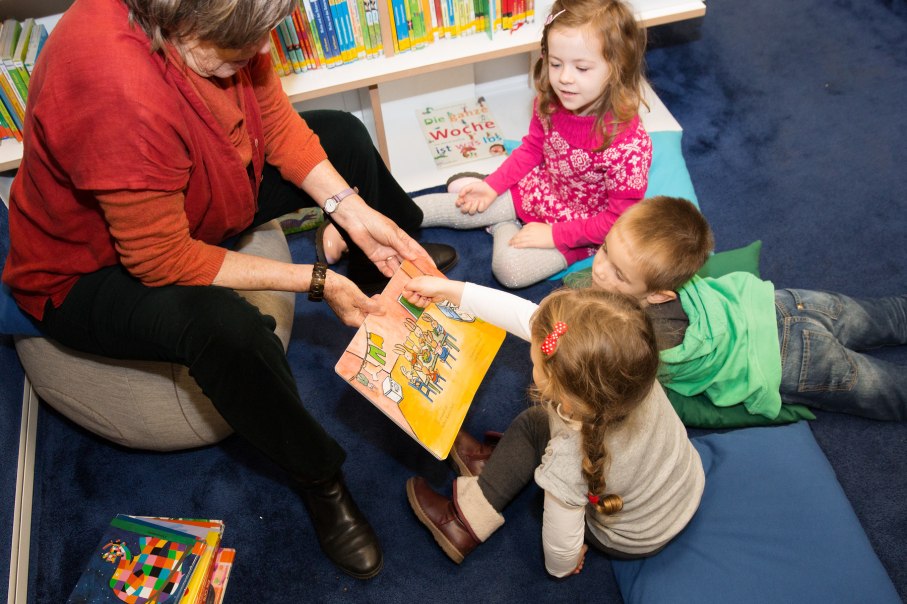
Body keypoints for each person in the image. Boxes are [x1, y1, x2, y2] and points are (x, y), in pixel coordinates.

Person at [2, 0, 447, 580]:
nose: (263, 53)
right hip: (89, 270)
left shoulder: (209, 33)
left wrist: (354, 213)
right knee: (227, 331)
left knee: (343, 135)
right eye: (242, 47)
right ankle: (318, 478)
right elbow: (160, 256)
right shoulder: (117, 87)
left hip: (182, 199)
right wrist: (315, 280)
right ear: (182, 27)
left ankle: (389, 279)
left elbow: (278, 122)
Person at [400, 283, 704, 576]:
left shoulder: (571, 461)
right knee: (538, 423)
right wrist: (455, 292)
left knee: (534, 424)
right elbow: (532, 322)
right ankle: (497, 467)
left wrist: (565, 565)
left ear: (562, 392)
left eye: (535, 361)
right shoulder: (628, 366)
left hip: (630, 537)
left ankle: (462, 524)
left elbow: (560, 545)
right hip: (681, 489)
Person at [574, 195, 907, 421]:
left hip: (788, 362)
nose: (599, 270)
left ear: (660, 296)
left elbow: (605, 377)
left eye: (618, 273)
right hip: (784, 303)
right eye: (603, 250)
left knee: (888, 389)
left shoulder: (645, 342)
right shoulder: (673, 281)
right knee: (885, 314)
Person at [412, 0, 652, 288]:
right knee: (455, 204)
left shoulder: (629, 146)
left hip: (580, 229)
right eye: (555, 63)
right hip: (539, 189)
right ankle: (384, 217)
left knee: (510, 270)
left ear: (617, 67)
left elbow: (617, 222)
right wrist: (493, 185)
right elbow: (531, 149)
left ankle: (503, 224)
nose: (564, 78)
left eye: (582, 68)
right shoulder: (551, 101)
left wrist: (554, 235)